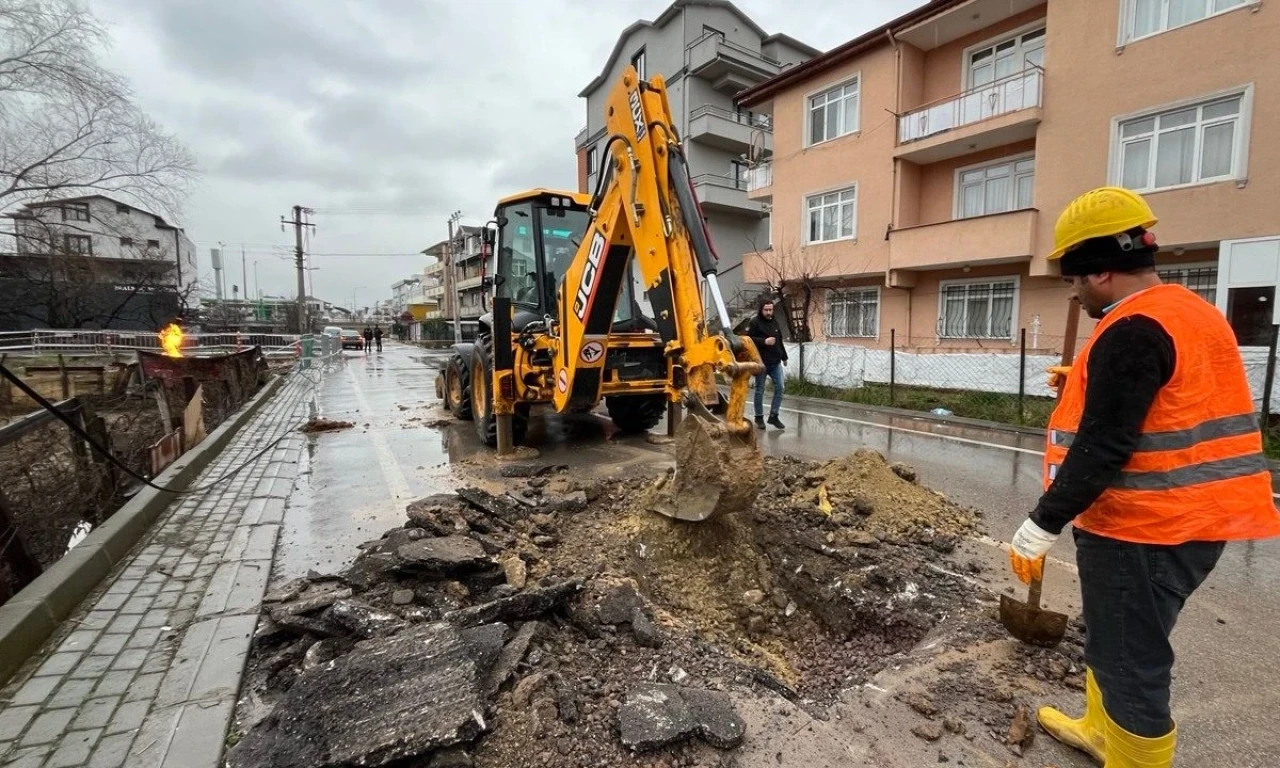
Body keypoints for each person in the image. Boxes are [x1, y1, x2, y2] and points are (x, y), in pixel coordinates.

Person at [1007, 186, 1280, 768]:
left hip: (1144, 530)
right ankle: (1099, 730)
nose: (1074, 292)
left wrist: (1042, 522)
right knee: (1115, 641)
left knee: (1130, 662)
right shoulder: (1188, 311)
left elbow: (1105, 446)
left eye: (1074, 280)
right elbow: (1170, 400)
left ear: (1100, 271)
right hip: (1192, 521)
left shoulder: (1131, 332)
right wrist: (1087, 380)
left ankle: (1133, 753)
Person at [746, 299, 787, 430]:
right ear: (761, 309)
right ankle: (759, 417)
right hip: (761, 362)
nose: (769, 312)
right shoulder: (755, 322)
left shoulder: (774, 322)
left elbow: (779, 340)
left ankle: (774, 416)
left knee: (780, 388)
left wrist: (784, 356)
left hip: (775, 362)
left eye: (771, 310)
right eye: (766, 310)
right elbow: (748, 340)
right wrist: (764, 341)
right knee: (760, 389)